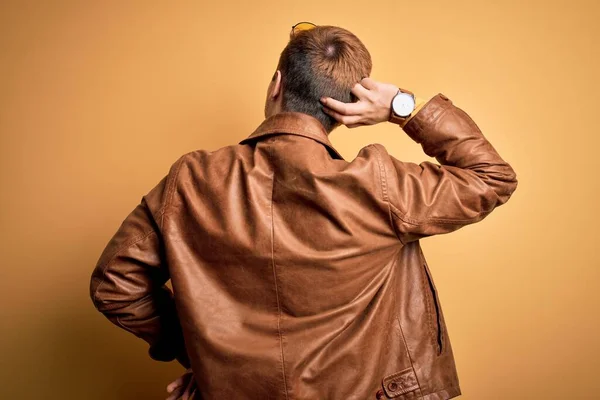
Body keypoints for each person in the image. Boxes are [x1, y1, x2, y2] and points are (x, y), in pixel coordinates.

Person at [90, 23, 518, 400]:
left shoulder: (191, 180)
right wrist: (400, 107)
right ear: (349, 106)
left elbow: (115, 284)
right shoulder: (379, 185)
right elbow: (492, 177)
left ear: (277, 84)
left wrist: (205, 357)